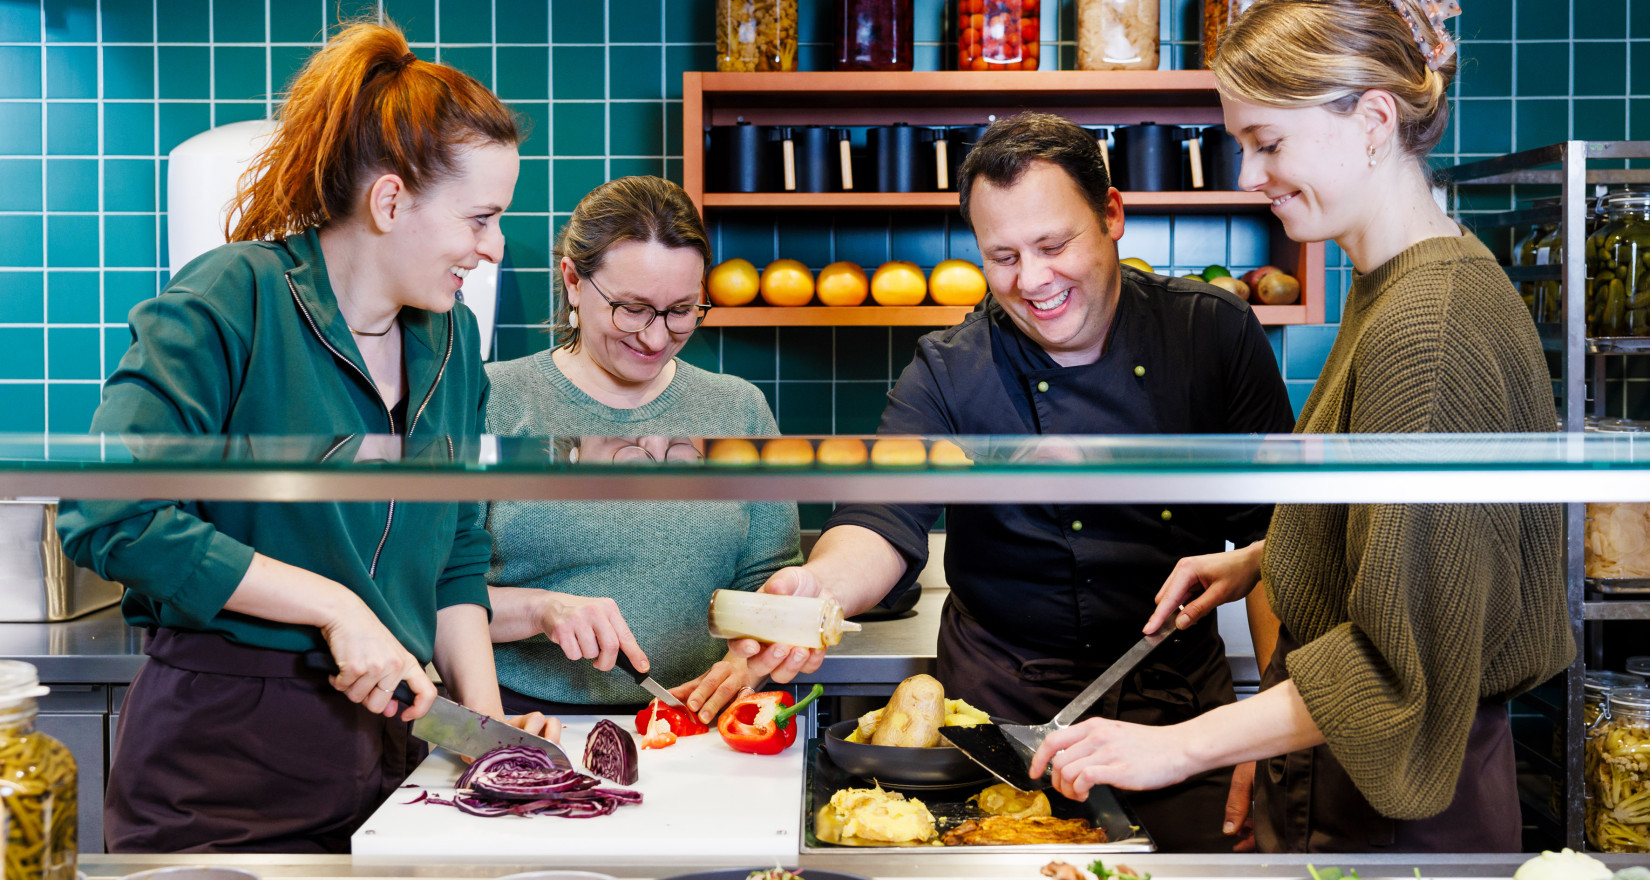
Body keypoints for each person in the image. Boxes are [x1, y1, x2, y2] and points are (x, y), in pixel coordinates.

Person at [1026, 0, 1575, 853]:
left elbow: (1403, 656)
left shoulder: (1428, 327)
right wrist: (1263, 558)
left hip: (1405, 806)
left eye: (1269, 142)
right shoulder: (1402, 282)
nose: (1248, 176)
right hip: (1349, 763)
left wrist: (1176, 748)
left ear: (1374, 120)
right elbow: (1421, 541)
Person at [56, 22, 553, 853]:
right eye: (481, 219)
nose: (494, 247)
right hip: (225, 763)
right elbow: (111, 513)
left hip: (397, 757)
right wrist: (335, 607)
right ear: (391, 202)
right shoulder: (231, 296)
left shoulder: (452, 339)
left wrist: (487, 732)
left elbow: (457, 548)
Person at [739, 112, 1297, 852]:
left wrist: (1267, 732)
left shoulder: (1212, 334)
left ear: (1112, 216)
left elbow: (1281, 541)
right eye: (1001, 256)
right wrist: (822, 589)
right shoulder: (950, 366)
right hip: (994, 721)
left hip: (1178, 719)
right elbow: (880, 516)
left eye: (1053, 245)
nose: (1032, 281)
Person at [483, 176, 802, 722]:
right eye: (632, 309)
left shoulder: (738, 409)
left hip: (705, 721)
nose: (656, 339)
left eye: (681, 310)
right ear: (573, 283)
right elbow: (431, 591)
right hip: (530, 722)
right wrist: (541, 610)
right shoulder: (490, 401)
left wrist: (750, 661)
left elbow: (768, 579)